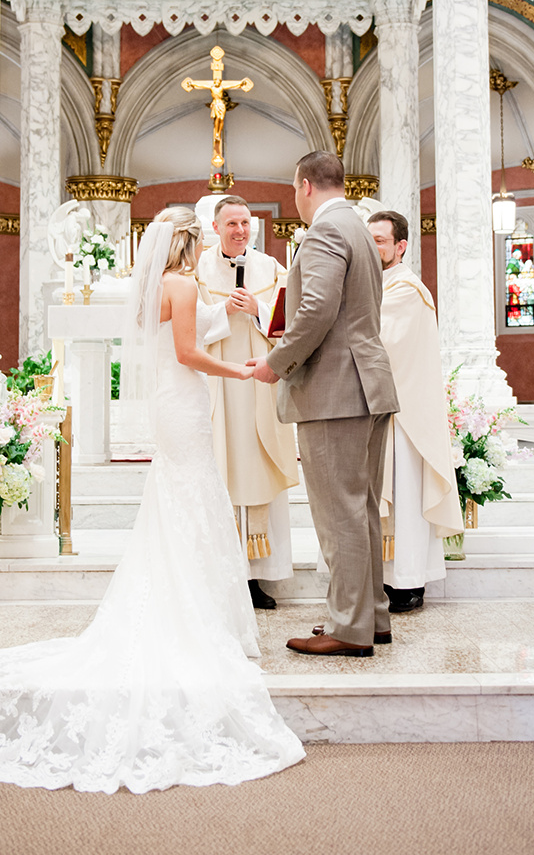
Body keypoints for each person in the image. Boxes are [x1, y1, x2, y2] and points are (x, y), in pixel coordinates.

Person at [0, 208, 304, 793]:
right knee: (194, 496)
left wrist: (221, 325)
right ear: (188, 246)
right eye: (201, 239)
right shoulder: (183, 282)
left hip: (170, 401)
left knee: (178, 498)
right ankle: (197, 609)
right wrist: (239, 373)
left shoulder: (156, 286)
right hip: (186, 396)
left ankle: (182, 594)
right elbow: (189, 353)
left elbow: (173, 339)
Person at [249, 152, 399, 657]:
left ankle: (350, 628)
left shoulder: (325, 232)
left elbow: (315, 308)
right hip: (366, 384)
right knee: (361, 509)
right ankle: (371, 616)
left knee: (340, 515)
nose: (295, 198)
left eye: (294, 189)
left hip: (337, 390)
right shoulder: (357, 226)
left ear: (306, 185)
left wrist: (278, 361)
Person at [196, 195, 299, 609]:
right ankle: (223, 573)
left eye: (245, 223)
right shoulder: (198, 270)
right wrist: (222, 310)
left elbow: (291, 321)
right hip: (218, 384)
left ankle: (258, 576)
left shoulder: (271, 269)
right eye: (232, 223)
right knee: (222, 466)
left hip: (260, 381)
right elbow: (186, 326)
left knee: (259, 463)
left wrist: (259, 309)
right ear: (216, 228)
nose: (240, 230)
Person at [367, 211, 464, 613]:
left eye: (379, 241)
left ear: (400, 246)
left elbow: (380, 340)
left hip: (403, 418)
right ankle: (390, 582)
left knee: (404, 499)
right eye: (367, 239)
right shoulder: (379, 284)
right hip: (380, 411)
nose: (372, 247)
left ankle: (407, 584)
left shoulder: (406, 289)